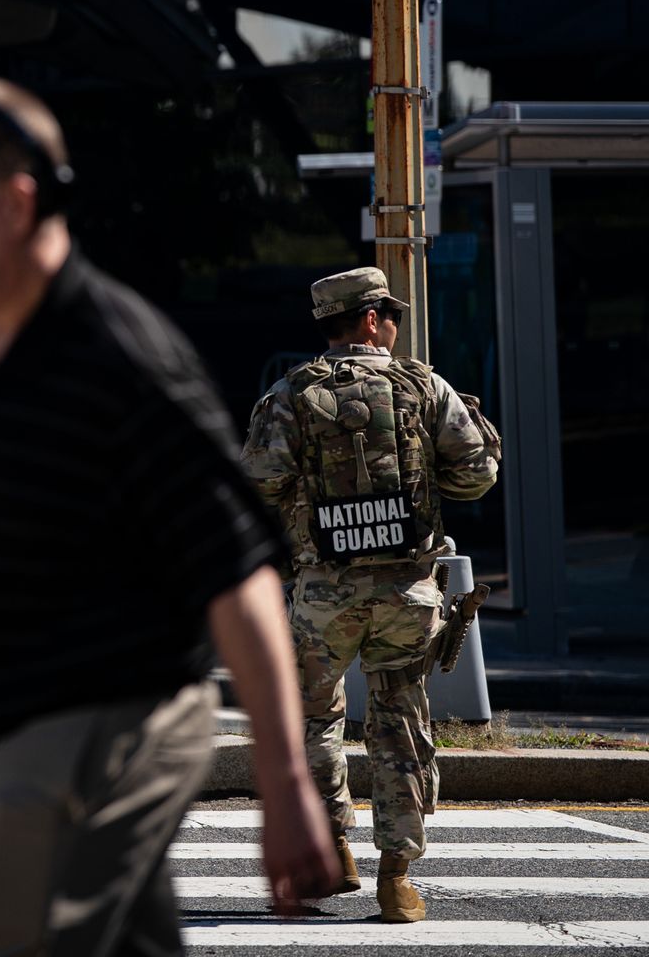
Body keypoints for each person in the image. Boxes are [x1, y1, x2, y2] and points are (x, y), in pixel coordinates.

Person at [0, 79, 340, 956]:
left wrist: (285, 784)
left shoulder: (121, 356)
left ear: (16, 202)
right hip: (28, 724)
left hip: (111, 721)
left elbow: (238, 574)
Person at [242, 267, 500, 923]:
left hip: (321, 595)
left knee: (313, 721)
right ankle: (397, 879)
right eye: (388, 312)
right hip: (407, 594)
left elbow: (258, 484)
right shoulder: (424, 385)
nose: (392, 323)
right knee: (401, 722)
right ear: (366, 318)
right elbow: (474, 478)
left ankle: (335, 846)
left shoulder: (287, 394)